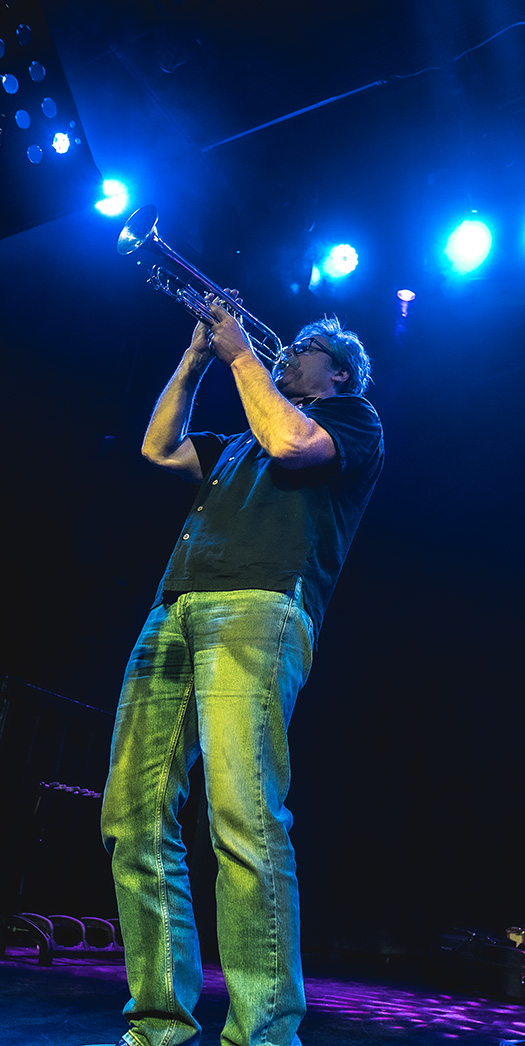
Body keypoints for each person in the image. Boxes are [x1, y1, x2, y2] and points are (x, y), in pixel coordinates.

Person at [98, 297, 384, 1046]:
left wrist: (241, 355)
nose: (287, 353)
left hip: (260, 607)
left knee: (243, 818)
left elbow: (292, 443)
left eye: (303, 348)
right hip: (174, 608)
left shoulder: (352, 419)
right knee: (130, 817)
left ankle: (263, 1036)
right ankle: (159, 1023)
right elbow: (158, 449)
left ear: (339, 372)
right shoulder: (238, 443)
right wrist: (197, 358)